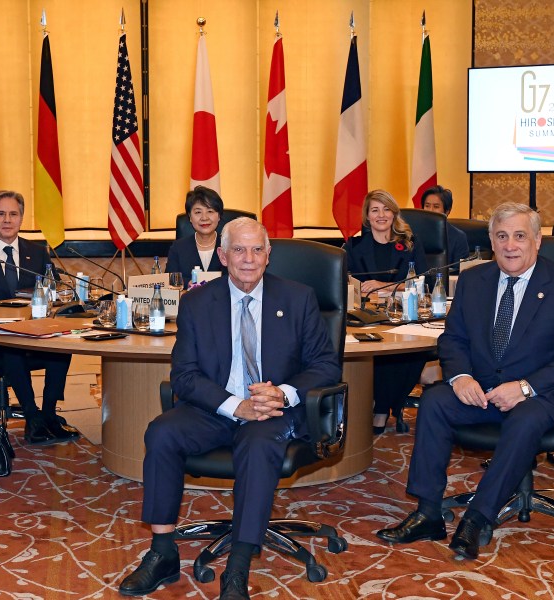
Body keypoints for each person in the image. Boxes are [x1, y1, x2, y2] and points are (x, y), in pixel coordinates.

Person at [118, 218, 340, 600]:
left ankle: (237, 567)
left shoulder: (299, 298)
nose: (249, 259)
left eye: (257, 250)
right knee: (162, 431)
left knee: (258, 446)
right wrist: (236, 406)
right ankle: (162, 552)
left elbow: (325, 364)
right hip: (218, 409)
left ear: (269, 255)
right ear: (222, 256)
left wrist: (283, 394)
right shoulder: (197, 303)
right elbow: (184, 375)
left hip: (273, 414)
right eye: (239, 250)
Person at [375, 202, 554, 560]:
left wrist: (524, 387)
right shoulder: (475, 280)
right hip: (481, 392)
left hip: (541, 396)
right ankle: (428, 511)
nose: (511, 245)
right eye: (502, 236)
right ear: (492, 241)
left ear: (538, 241)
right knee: (434, 402)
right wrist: (460, 377)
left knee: (525, 419)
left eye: (520, 236)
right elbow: (453, 339)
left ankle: (478, 518)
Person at [0, 190, 77, 446]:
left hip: (32, 329)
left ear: (22, 219)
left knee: (62, 346)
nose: (7, 220)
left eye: (13, 214)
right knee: (13, 348)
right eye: (1, 214)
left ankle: (49, 414)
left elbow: (54, 289)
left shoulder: (38, 252)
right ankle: (32, 416)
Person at [344, 190, 429, 434]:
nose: (381, 215)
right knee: (376, 351)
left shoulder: (410, 244)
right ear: (367, 216)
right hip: (367, 316)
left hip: (404, 314)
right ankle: (378, 404)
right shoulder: (354, 245)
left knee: (410, 351)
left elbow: (424, 282)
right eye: (375, 210)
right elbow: (346, 280)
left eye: (386, 209)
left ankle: (382, 407)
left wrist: (384, 285)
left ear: (394, 213)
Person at [166, 185, 227, 286]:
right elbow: (171, 280)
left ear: (219, 216)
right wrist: (189, 283)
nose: (204, 217)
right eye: (198, 212)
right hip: (190, 299)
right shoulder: (178, 247)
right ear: (190, 217)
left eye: (210, 211)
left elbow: (238, 278)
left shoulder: (230, 246)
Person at [421, 185, 470, 271]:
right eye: (427, 205)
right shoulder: (413, 234)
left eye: (436, 206)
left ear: (447, 211)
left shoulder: (458, 237)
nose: (430, 210)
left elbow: (459, 272)